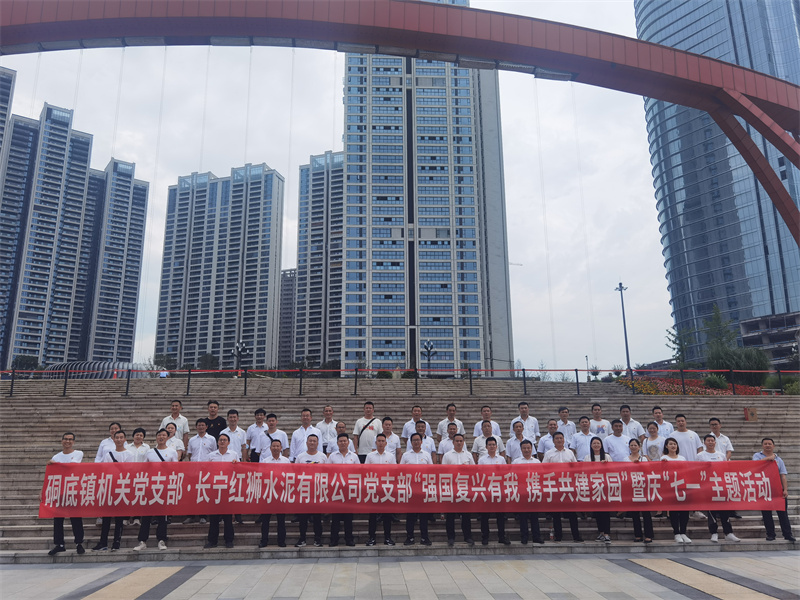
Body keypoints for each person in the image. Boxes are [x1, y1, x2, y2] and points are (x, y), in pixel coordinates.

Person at [134, 428, 178, 551]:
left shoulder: (172, 452)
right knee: (146, 515)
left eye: (163, 435)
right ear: (156, 437)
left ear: (167, 437)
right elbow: (144, 468)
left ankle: (161, 540)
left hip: (164, 487)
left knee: (162, 516)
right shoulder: (150, 452)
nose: (161, 437)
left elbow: (176, 469)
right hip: (151, 486)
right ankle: (142, 541)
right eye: (159, 435)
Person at [94, 430, 133, 551]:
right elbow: (105, 470)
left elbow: (129, 471)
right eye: (117, 438)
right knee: (106, 517)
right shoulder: (108, 454)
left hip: (122, 488)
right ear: (114, 439)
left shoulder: (129, 454)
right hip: (110, 487)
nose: (119, 440)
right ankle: (103, 542)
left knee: (119, 518)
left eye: (121, 437)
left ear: (125, 440)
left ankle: (117, 542)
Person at [48, 432, 86, 556]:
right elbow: (50, 475)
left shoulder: (78, 453)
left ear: (73, 442)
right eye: (65, 439)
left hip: (74, 490)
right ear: (62, 441)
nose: (67, 441)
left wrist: (56, 464)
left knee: (76, 518)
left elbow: (72, 466)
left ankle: (79, 543)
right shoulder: (56, 456)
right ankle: (59, 544)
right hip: (60, 491)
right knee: (58, 519)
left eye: (70, 439)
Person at [697, 435, 740, 543]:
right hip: (708, 486)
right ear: (704, 443)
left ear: (715, 443)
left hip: (721, 485)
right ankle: (714, 533)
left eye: (712, 441)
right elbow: (697, 470)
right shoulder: (700, 456)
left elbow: (726, 469)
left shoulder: (721, 455)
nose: (710, 442)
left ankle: (728, 533)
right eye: (708, 441)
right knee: (711, 511)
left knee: (725, 510)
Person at [753, 437, 795, 542]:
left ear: (773, 446)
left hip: (777, 489)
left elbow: (783, 475)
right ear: (762, 445)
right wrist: (769, 458)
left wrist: (785, 489)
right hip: (764, 489)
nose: (767, 445)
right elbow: (754, 466)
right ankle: (770, 534)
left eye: (769, 444)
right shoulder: (757, 456)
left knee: (783, 514)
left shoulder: (779, 460)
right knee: (766, 514)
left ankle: (787, 534)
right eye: (765, 444)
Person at [542, 432, 582, 542]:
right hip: (555, 486)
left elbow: (575, 468)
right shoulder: (549, 454)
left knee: (572, 513)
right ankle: (558, 536)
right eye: (557, 438)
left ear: (564, 440)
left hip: (568, 486)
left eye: (561, 438)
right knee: (556, 513)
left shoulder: (570, 453)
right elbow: (544, 469)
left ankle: (576, 536)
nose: (559, 440)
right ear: (553, 441)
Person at [204, 434, 237, 549]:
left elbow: (239, 471)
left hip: (228, 489)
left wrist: (236, 464)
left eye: (225, 440)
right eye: (220, 440)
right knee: (214, 518)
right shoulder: (211, 456)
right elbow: (206, 470)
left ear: (229, 442)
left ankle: (229, 540)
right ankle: (212, 541)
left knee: (228, 517)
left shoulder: (234, 455)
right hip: (214, 489)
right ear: (217, 442)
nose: (222, 442)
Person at [400, 433, 433, 546]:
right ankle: (410, 537)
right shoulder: (406, 455)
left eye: (418, 440)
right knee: (410, 516)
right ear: (411, 442)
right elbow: (401, 471)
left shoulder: (427, 455)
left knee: (424, 515)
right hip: (410, 489)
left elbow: (431, 471)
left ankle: (424, 537)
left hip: (423, 489)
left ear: (421, 442)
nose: (416, 442)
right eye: (414, 440)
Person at [327, 433, 359, 546]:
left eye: (345, 441)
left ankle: (349, 539)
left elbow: (358, 472)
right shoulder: (332, 456)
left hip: (349, 490)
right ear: (337, 443)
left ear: (348, 443)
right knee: (335, 517)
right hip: (336, 490)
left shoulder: (354, 456)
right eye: (340, 441)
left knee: (348, 517)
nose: (343, 443)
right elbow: (327, 472)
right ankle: (334, 539)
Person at [295, 434, 326, 547]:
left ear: (317, 443)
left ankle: (317, 539)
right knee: (303, 518)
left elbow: (327, 473)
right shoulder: (300, 457)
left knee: (317, 518)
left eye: (314, 441)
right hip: (304, 491)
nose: (312, 443)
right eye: (310, 441)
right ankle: (302, 539)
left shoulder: (323, 457)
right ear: (306, 443)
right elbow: (295, 473)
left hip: (317, 491)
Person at [366, 433, 396, 546]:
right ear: (375, 443)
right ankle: (371, 538)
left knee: (387, 515)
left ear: (386, 443)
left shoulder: (390, 456)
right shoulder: (370, 456)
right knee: (372, 516)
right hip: (373, 488)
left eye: (383, 441)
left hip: (386, 489)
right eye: (379, 441)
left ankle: (387, 537)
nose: (381, 443)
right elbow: (366, 471)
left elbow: (394, 471)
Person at [184, 419, 216, 524]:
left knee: (204, 491)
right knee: (192, 492)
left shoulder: (212, 439)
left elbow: (214, 453)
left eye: (203, 425)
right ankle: (191, 515)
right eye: (199, 425)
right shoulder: (192, 440)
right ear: (196, 427)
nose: (201, 427)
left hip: (206, 470)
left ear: (206, 427)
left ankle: (203, 516)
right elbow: (190, 454)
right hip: (194, 469)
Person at [478, 438, 509, 545]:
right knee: (484, 516)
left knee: (500, 515)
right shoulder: (482, 460)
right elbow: (479, 474)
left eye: (493, 445)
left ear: (496, 447)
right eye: (489, 445)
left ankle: (502, 536)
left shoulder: (501, 459)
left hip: (498, 490)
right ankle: (485, 537)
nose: (491, 446)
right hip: (486, 490)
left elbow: (505, 473)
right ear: (486, 447)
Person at [258, 439, 289, 548]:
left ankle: (281, 541)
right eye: (274, 446)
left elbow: (289, 476)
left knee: (281, 520)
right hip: (268, 494)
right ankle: (264, 541)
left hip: (281, 494)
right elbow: (261, 476)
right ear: (270, 448)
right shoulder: (265, 461)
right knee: (265, 520)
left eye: (277, 446)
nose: (276, 448)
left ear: (281, 448)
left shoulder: (286, 461)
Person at [513, 440, 544, 544]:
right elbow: (513, 476)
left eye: (528, 448)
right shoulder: (516, 462)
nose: (526, 450)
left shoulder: (537, 462)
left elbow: (541, 476)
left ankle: (536, 536)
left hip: (534, 491)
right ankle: (524, 537)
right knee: (523, 516)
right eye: (524, 448)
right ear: (521, 449)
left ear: (532, 449)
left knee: (535, 516)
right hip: (522, 492)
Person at [661, 437, 691, 543]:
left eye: (674, 444)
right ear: (666, 446)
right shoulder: (664, 458)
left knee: (684, 511)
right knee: (673, 511)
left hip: (682, 486)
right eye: (670, 444)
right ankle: (676, 533)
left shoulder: (682, 458)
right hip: (671, 487)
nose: (673, 446)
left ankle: (683, 532)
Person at [624, 438, 653, 543]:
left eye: (635, 445)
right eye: (631, 445)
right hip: (632, 487)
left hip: (643, 487)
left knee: (646, 513)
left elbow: (648, 470)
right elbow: (624, 472)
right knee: (634, 513)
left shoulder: (643, 459)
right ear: (629, 447)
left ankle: (649, 535)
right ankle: (638, 535)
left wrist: (639, 465)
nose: (633, 447)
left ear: (639, 447)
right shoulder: (625, 459)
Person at [587, 437, 612, 543]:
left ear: (601, 445)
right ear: (591, 445)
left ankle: (607, 534)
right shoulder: (588, 457)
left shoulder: (607, 456)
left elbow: (612, 470)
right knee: (597, 512)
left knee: (605, 511)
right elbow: (585, 471)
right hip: (594, 487)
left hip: (605, 487)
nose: (596, 445)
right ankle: (601, 533)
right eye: (594, 443)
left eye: (598, 443)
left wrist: (606, 465)